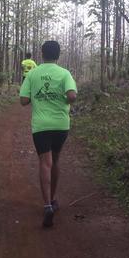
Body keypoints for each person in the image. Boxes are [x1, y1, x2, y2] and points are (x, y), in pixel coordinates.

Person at [19, 41, 77, 227]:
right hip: (61, 125)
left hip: (41, 126)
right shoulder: (65, 73)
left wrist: (39, 95)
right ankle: (53, 199)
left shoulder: (33, 73)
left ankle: (47, 206)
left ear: (41, 53)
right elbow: (72, 96)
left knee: (45, 162)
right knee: (56, 160)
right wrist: (62, 98)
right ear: (58, 55)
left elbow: (23, 100)